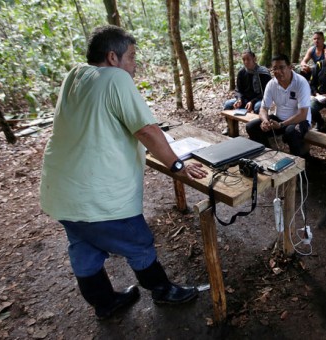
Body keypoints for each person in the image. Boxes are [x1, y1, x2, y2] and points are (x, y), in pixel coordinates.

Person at [39, 26, 208, 320]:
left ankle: (104, 303)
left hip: (60, 191)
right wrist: (177, 164)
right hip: (98, 195)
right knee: (137, 240)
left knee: (84, 246)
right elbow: (145, 130)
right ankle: (162, 290)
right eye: (131, 57)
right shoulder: (116, 77)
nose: (134, 65)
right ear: (112, 57)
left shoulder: (74, 75)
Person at [246, 54, 311, 157]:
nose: (278, 72)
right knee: (251, 127)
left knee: (291, 132)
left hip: (300, 121)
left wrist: (281, 124)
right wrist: (265, 121)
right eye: (275, 68)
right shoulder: (271, 84)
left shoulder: (301, 83)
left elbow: (303, 114)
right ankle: (268, 156)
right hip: (279, 120)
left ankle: (300, 164)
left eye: (282, 67)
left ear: (290, 67)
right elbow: (263, 108)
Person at [223, 50, 271, 114]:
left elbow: (266, 92)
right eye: (243, 60)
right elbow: (238, 90)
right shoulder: (241, 72)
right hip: (245, 100)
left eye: (248, 59)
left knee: (258, 107)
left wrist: (252, 102)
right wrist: (239, 100)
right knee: (227, 104)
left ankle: (256, 123)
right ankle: (232, 124)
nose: (246, 62)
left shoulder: (263, 72)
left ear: (254, 59)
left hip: (259, 100)